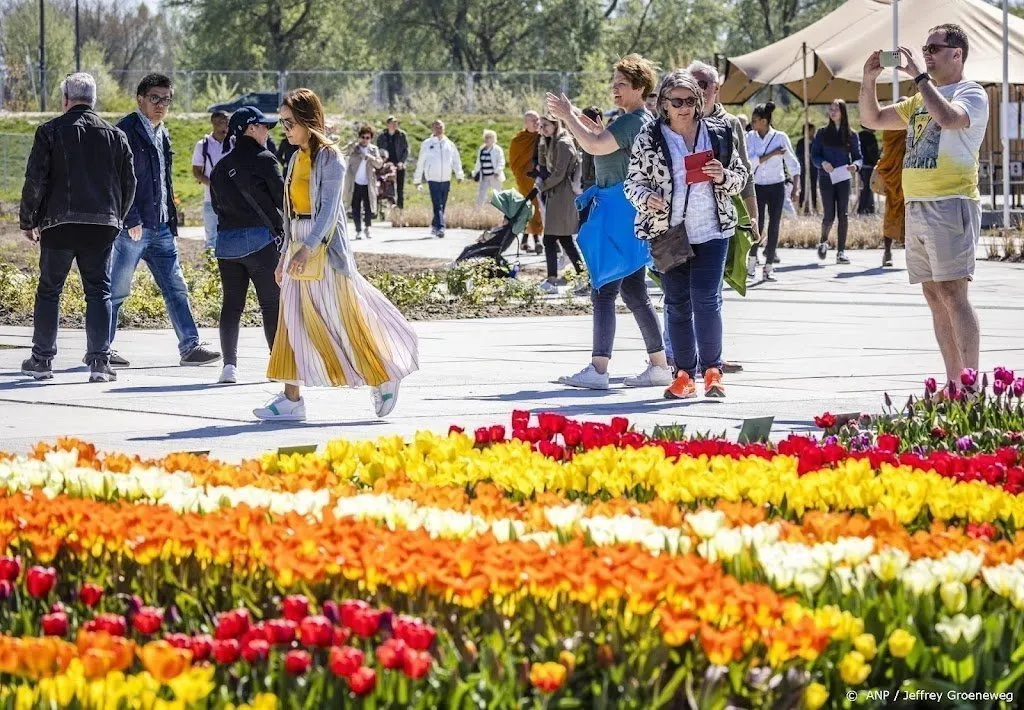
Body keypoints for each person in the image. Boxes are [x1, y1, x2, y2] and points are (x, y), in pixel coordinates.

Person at [256, 88, 419, 422]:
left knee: (343, 318)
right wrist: (286, 253)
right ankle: (291, 398)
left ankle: (383, 375)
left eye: (289, 122)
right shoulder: (294, 157)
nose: (284, 129)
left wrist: (308, 248)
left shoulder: (330, 157)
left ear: (306, 119)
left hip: (325, 250)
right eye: (282, 123)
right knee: (290, 321)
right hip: (299, 243)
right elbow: (290, 212)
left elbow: (330, 211)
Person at [859, 23, 989, 387]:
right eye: (925, 47)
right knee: (934, 296)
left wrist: (918, 75)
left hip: (951, 202)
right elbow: (872, 119)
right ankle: (953, 384)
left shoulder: (971, 92)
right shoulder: (920, 97)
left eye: (935, 47)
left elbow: (949, 119)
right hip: (918, 205)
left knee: (953, 293)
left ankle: (970, 385)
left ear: (956, 54)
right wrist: (869, 80)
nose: (927, 53)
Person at [546, 53, 671, 390]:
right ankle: (659, 365)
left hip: (617, 212)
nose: (614, 89)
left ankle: (598, 369)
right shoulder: (638, 120)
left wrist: (568, 116)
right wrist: (585, 125)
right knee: (633, 291)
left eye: (621, 84)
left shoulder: (632, 121)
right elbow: (606, 145)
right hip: (630, 211)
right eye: (613, 83)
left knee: (603, 288)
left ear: (640, 87)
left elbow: (595, 146)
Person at [625, 71, 748, 399]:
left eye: (691, 101)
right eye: (676, 101)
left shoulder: (718, 132)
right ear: (663, 103)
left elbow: (740, 177)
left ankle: (712, 372)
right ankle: (683, 375)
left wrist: (722, 176)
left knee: (706, 299)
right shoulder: (648, 137)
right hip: (669, 233)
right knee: (677, 304)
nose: (684, 108)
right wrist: (645, 198)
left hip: (712, 229)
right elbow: (632, 183)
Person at [18, 73, 136, 383]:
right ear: (94, 100)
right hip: (102, 226)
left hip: (59, 223)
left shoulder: (50, 131)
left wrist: (28, 220)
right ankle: (99, 362)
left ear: (65, 99)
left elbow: (36, 179)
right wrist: (117, 218)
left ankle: (42, 360)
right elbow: (129, 183)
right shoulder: (116, 135)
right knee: (99, 291)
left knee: (49, 291)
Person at [111, 74, 221, 368]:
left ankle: (190, 346)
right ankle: (101, 349)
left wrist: (171, 223)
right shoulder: (125, 131)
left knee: (175, 287)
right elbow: (117, 180)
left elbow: (165, 183)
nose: (161, 105)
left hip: (160, 227)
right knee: (117, 289)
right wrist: (129, 216)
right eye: (155, 98)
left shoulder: (163, 132)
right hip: (132, 227)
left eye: (166, 99)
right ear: (140, 99)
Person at [208, 107, 283, 385]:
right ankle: (278, 365)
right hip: (261, 243)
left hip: (226, 245)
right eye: (264, 126)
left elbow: (216, 207)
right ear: (250, 128)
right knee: (271, 304)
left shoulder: (220, 167)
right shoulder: (265, 159)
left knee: (232, 305)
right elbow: (281, 198)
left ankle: (229, 367)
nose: (267, 131)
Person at [745, 101, 800, 281]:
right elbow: (749, 162)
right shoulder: (750, 137)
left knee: (774, 224)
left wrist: (796, 187)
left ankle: (769, 266)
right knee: (757, 224)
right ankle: (752, 261)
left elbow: (792, 162)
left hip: (776, 185)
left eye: (755, 120)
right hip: (757, 185)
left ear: (764, 121)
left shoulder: (780, 137)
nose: (752, 124)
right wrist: (772, 154)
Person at [812, 99, 863, 264]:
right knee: (829, 215)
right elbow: (814, 156)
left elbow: (858, 157)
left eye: (836, 109)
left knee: (843, 214)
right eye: (830, 109)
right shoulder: (822, 133)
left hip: (843, 178)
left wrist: (855, 166)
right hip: (826, 179)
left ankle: (841, 252)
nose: (832, 112)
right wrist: (822, 163)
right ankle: (823, 241)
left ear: (843, 112)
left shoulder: (851, 134)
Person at [536, 116, 583, 294]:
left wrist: (543, 186)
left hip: (563, 194)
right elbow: (544, 165)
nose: (543, 129)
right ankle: (578, 275)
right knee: (563, 239)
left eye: (545, 126)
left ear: (555, 124)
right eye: (541, 126)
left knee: (551, 238)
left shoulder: (563, 143)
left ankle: (553, 279)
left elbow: (559, 173)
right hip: (556, 194)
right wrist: (542, 142)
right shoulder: (552, 142)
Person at [412, 119, 464, 238]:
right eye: (436, 127)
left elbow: (456, 160)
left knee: (442, 204)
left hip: (446, 178)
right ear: (432, 129)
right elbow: (421, 162)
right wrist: (417, 180)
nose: (439, 129)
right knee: (437, 204)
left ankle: (435, 225)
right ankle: (441, 227)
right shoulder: (427, 144)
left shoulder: (449, 144)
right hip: (433, 178)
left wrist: (459, 174)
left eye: (441, 127)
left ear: (444, 128)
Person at [192, 110, 229, 250]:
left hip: (231, 200)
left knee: (230, 235)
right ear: (214, 123)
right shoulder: (203, 145)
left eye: (227, 122)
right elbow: (196, 171)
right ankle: (212, 269)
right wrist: (213, 185)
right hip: (210, 199)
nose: (225, 125)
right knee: (211, 238)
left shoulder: (232, 143)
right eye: (221, 122)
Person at [509, 111, 544, 253]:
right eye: (532, 120)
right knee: (532, 207)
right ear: (526, 122)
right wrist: (522, 175)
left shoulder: (543, 137)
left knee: (535, 208)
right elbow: (513, 163)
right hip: (525, 179)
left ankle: (524, 241)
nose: (536, 122)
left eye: (537, 119)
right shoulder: (519, 140)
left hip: (541, 178)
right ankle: (537, 241)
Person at [342, 124, 385, 241]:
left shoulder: (373, 149)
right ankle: (358, 230)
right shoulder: (354, 148)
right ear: (359, 137)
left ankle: (367, 227)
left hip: (368, 182)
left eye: (368, 137)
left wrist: (369, 157)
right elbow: (343, 153)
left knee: (368, 206)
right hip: (354, 182)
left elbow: (379, 164)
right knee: (355, 207)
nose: (365, 140)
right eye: (363, 137)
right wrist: (351, 146)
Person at [875, 125, 908, 267]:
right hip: (894, 181)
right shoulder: (890, 128)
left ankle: (914, 255)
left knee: (912, 217)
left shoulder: (914, 125)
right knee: (890, 215)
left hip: (910, 177)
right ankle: (887, 252)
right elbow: (887, 152)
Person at [376, 116, 409, 209]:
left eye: (396, 123)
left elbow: (406, 150)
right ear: (387, 125)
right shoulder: (382, 136)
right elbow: (379, 150)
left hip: (399, 165)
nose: (394, 125)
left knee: (400, 189)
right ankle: (390, 207)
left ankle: (400, 209)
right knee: (387, 187)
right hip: (386, 166)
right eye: (392, 123)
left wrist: (402, 162)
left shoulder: (402, 135)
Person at [472, 129, 506, 206]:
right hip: (484, 176)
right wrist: (474, 174)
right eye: (486, 137)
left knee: (498, 194)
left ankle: (502, 211)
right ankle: (477, 211)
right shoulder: (482, 149)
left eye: (489, 137)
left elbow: (501, 161)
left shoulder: (497, 149)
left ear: (493, 139)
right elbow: (478, 162)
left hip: (494, 176)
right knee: (481, 194)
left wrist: (497, 171)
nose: (487, 139)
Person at [795, 123, 819, 214]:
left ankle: (814, 207)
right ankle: (801, 207)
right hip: (804, 168)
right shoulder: (801, 142)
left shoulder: (816, 141)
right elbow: (798, 154)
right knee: (803, 187)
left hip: (814, 168)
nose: (814, 132)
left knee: (813, 187)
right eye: (812, 130)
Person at [857, 126, 881, 214]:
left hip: (861, 165)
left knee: (866, 187)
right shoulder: (870, 137)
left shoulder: (858, 135)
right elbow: (873, 152)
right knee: (868, 187)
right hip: (869, 166)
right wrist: (878, 162)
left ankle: (865, 208)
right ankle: (865, 209)